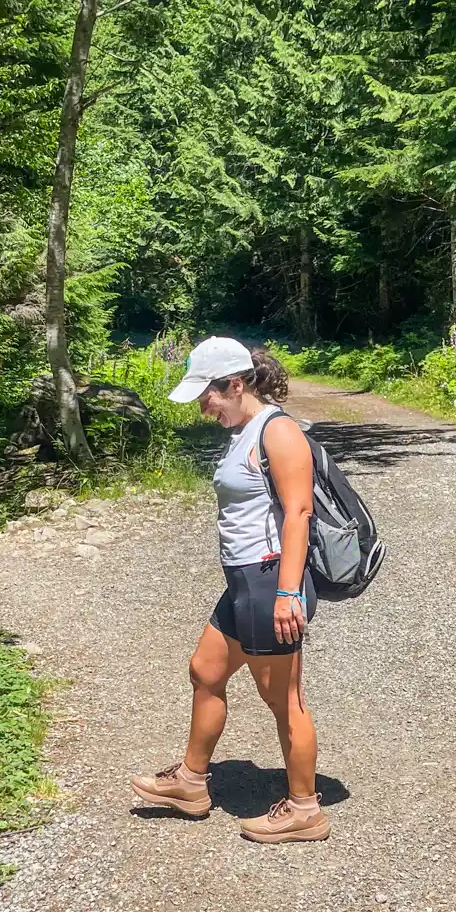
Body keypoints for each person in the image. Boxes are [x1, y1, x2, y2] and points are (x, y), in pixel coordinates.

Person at [130, 337, 329, 843]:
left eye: (208, 396)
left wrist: (287, 595)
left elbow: (299, 513)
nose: (204, 406)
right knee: (205, 670)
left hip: (270, 582)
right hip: (244, 581)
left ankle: (305, 809)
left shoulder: (278, 431)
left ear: (235, 385)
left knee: (284, 700)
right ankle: (192, 784)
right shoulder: (244, 431)